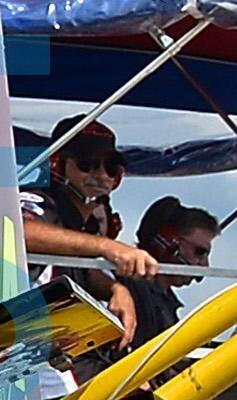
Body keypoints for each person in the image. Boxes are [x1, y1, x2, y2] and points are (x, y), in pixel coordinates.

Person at [19, 126, 147, 347]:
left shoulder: (86, 225)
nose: (100, 176)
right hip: (26, 347)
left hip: (65, 346)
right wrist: (105, 246)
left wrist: (117, 289)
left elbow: (86, 272)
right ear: (57, 164)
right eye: (86, 164)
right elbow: (18, 232)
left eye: (110, 168)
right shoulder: (37, 200)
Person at [124, 195, 215, 343]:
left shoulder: (165, 300)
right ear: (167, 242)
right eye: (200, 252)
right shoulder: (134, 290)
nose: (205, 265)